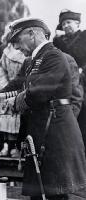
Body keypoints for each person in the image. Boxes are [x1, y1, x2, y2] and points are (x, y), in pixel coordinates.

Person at [0, 18, 86, 200]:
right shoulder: (32, 60)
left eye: (16, 40)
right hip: (41, 133)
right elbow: (18, 83)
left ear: (32, 34)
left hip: (55, 135)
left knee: (55, 192)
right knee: (39, 191)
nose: (15, 47)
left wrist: (12, 103)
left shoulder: (54, 56)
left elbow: (38, 91)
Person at [53, 9, 86, 150]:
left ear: (77, 23)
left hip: (83, 81)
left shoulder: (84, 37)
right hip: (64, 84)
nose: (66, 26)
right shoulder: (58, 42)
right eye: (63, 23)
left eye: (69, 22)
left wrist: (81, 70)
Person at [0, 24, 25, 157]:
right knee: (6, 117)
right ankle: (6, 145)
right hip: (7, 87)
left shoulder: (25, 51)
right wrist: (4, 86)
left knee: (18, 119)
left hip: (20, 89)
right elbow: (1, 69)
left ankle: (17, 147)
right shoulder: (6, 51)